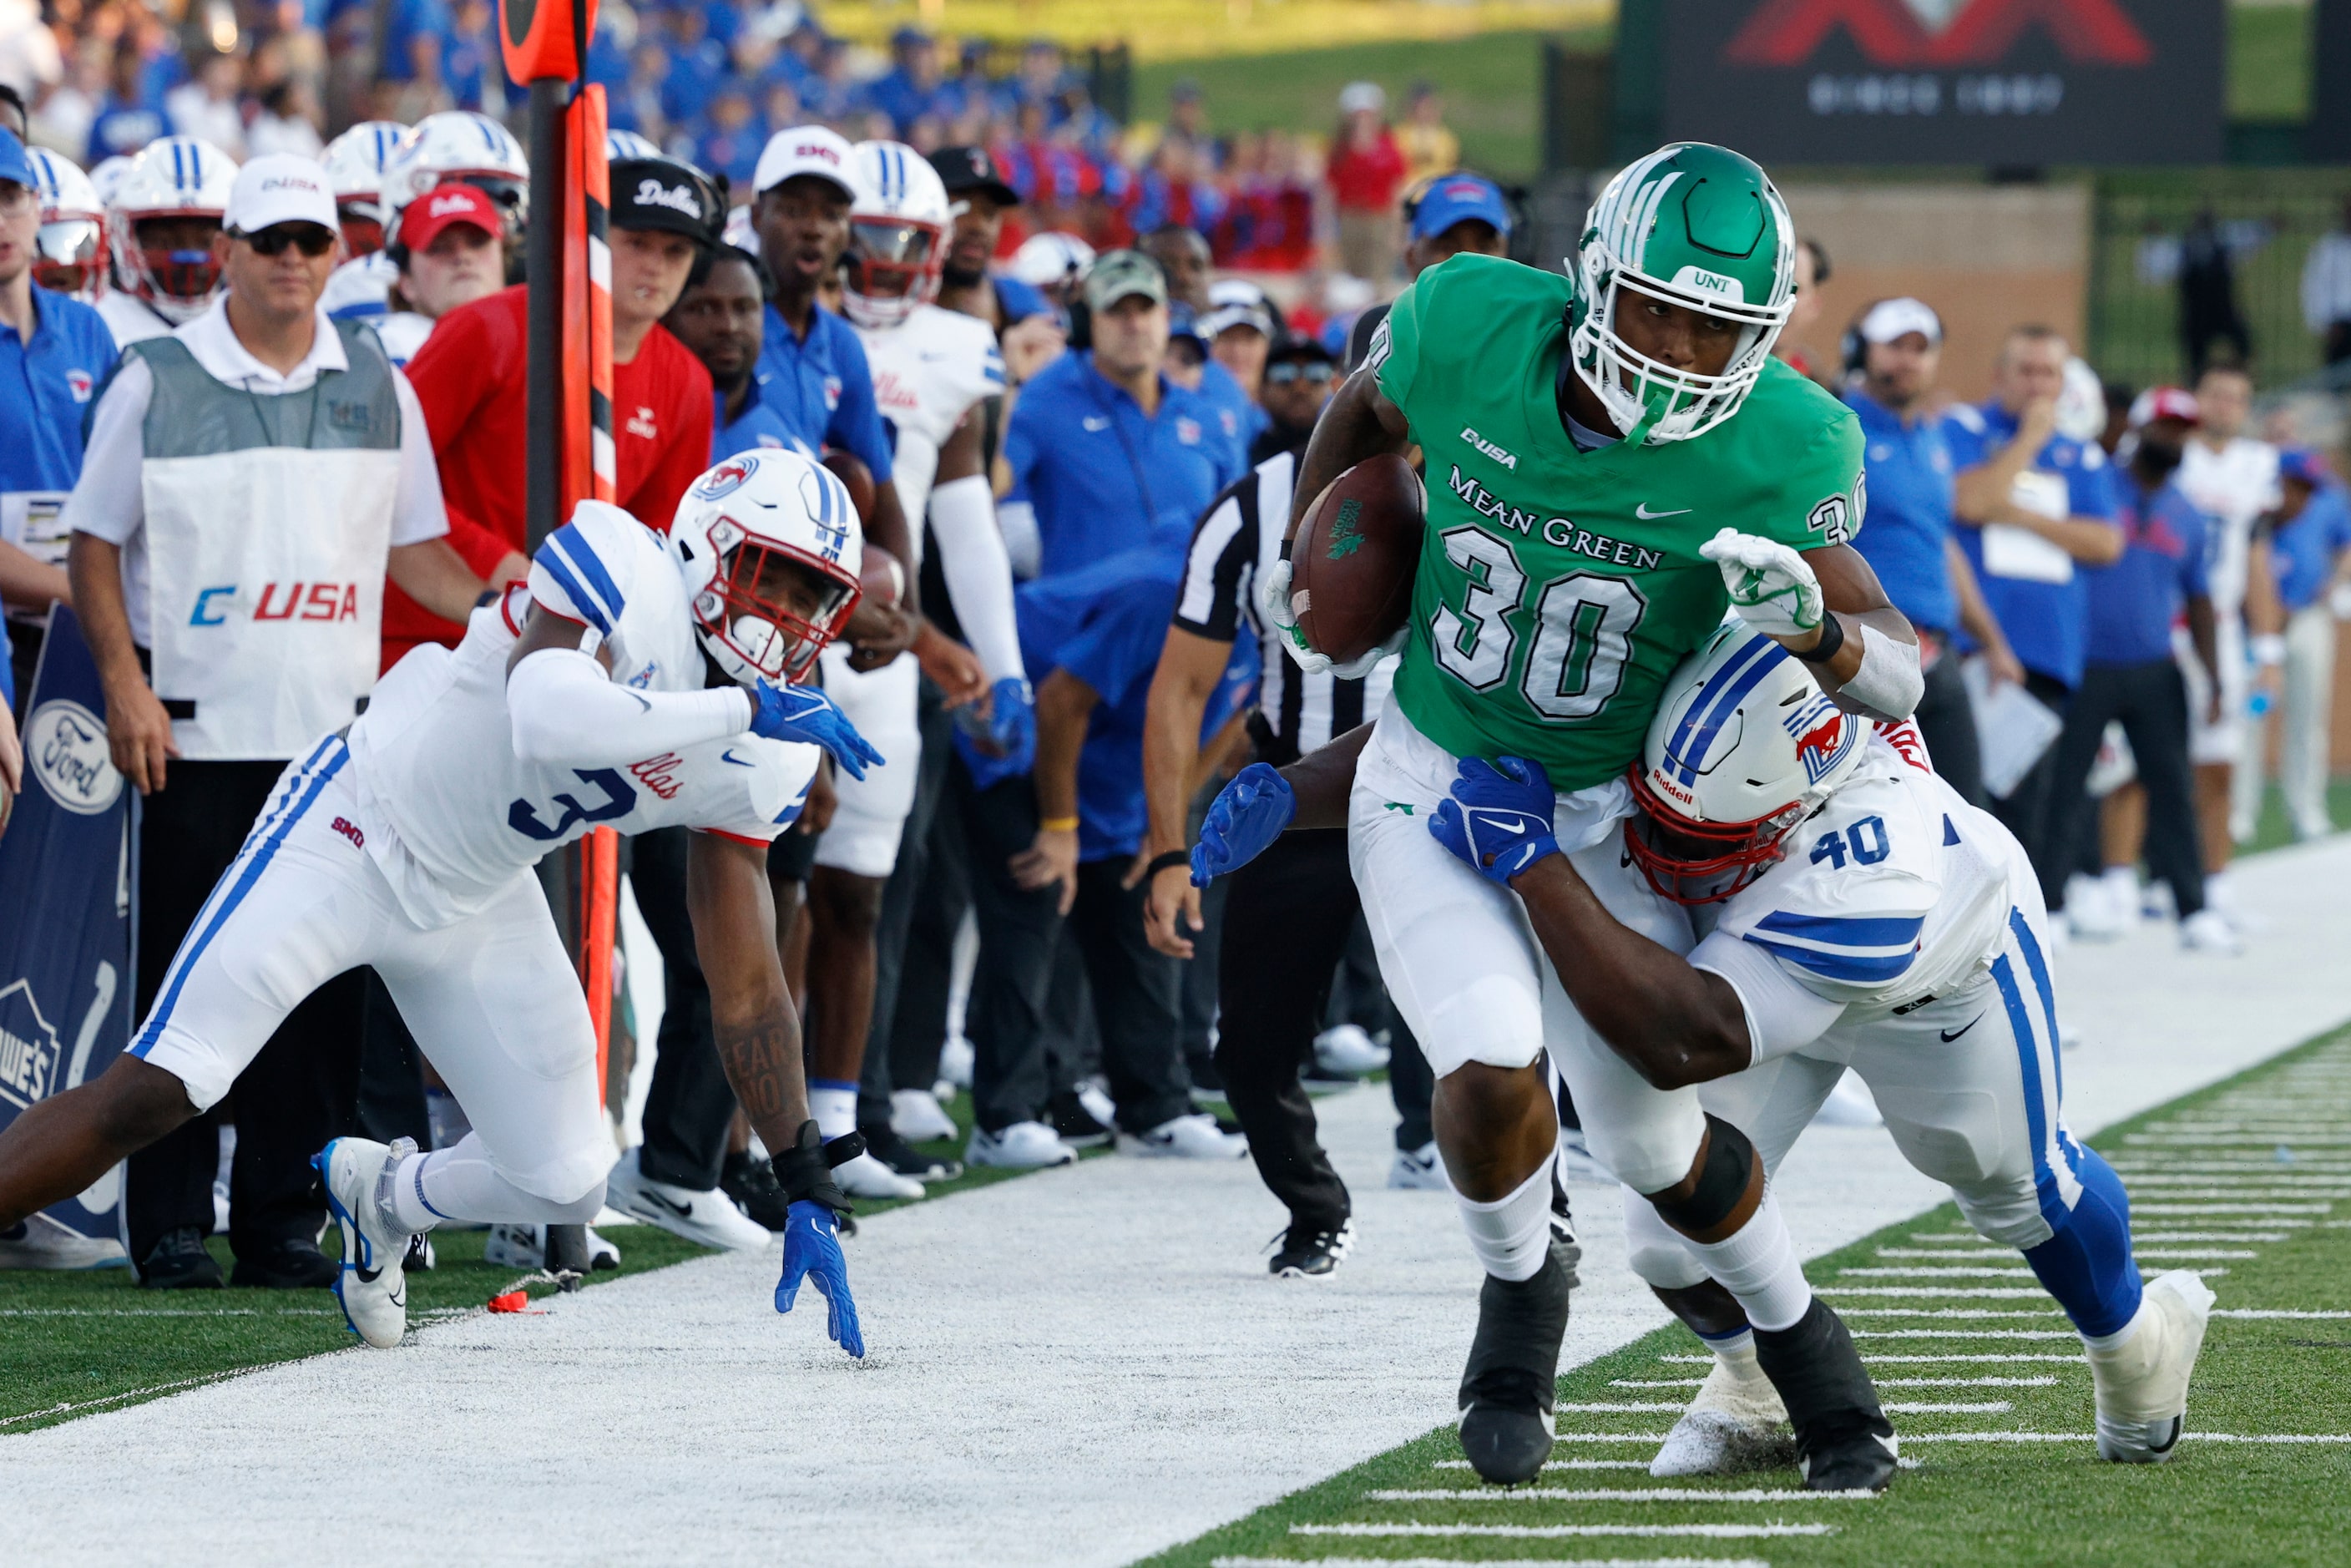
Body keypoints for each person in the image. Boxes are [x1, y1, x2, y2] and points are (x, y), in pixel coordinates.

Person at [1267, 143, 1920, 1490]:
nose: (1681, 350)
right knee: (1492, 1053)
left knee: (1644, 1137)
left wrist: (1810, 624)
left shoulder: (1786, 444)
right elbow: (1362, 411)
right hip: (1435, 766)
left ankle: (1804, 1344)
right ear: (1591, 283)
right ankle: (1519, 1291)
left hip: (1605, 809)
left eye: (1718, 326)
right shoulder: (1467, 318)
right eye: (1657, 311)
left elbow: (1896, 658)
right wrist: (1307, 545)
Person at [1197, 621, 2217, 1468]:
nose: (1655, 843)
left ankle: (2134, 1346)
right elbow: (1461, 743)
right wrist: (1300, 788)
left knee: (2007, 1186)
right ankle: (1751, 1385)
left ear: (1795, 803)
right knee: (1664, 1222)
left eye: (1692, 839)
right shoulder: (1698, 712)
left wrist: (1535, 867)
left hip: (1925, 980)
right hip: (1729, 968)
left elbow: (1686, 1040)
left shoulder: (1867, 869)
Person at [0, 452, 882, 1356]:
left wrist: (801, 1168)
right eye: (764, 574)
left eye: (808, 595)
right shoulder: (624, 561)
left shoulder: (770, 743)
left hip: (479, 890)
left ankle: (384, 1199)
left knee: (568, 1180)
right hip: (354, 828)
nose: (780, 614)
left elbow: (743, 983)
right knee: (163, 1089)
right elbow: (544, 716)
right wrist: (735, 710)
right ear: (705, 544)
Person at [61, 154, 491, 1290]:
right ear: (233, 253)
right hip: (194, 735)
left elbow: (421, 555)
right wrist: (126, 684)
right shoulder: (156, 374)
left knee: (321, 991)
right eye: (271, 242)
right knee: (183, 990)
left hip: (334, 746)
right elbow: (93, 544)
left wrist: (516, 601)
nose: (294, 260)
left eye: (311, 241)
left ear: (336, 253)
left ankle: (284, 1221)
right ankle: (166, 1223)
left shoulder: (375, 379)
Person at [968, 250, 1246, 1166]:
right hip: (1045, 699)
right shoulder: (1048, 402)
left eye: (1148, 307)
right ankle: (1010, 1110)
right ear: (1092, 318)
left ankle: (1151, 1101)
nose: (1134, 323)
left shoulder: (1255, 581)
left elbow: (1228, 711)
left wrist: (1166, 821)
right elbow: (1059, 702)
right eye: (1116, 309)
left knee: (1141, 881)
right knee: (1037, 896)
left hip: (1131, 715)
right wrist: (1055, 821)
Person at [833, 140, 1027, 1187]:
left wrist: (1003, 667)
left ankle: (850, 1111)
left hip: (882, 642)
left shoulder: (957, 345)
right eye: (871, 239)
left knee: (876, 885)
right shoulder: (787, 327)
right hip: (770, 633)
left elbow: (967, 523)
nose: (890, 263)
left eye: (911, 244)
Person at [392, 151, 717, 670]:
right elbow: (389, 476)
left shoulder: (689, 384)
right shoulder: (487, 329)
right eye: (636, 244)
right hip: (428, 641)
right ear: (592, 240)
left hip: (566, 654)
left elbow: (655, 542)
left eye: (676, 251)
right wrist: (511, 570)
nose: (656, 266)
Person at [2041, 387, 2227, 951]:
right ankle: (2051, 903)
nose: (2172, 440)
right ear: (2140, 428)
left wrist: (2215, 677)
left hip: (2155, 664)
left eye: (2182, 430)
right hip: (2086, 661)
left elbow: (2199, 601)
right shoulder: (2099, 485)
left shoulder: (2188, 514)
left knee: (2172, 787)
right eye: (2164, 427)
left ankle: (2192, 908)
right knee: (2064, 788)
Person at [1944, 326, 2125, 891]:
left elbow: (2106, 542)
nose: (2039, 385)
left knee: (2035, 801)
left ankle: (2027, 915)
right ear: (1999, 375)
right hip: (1976, 647)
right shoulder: (1964, 429)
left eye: (2050, 374)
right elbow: (1968, 501)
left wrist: (2021, 515)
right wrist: (2026, 442)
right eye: (2027, 371)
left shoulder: (2079, 453)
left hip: (2048, 651)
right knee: (1968, 800)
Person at [1841, 297, 2023, 806]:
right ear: (1861, 350)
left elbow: (1940, 543)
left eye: (1921, 349)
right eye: (1895, 346)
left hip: (1936, 652)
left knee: (1968, 816)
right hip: (1866, 653)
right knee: (1870, 804)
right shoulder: (1840, 429)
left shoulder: (1932, 437)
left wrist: (1992, 641)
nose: (1908, 360)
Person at [0, 127, 116, 705]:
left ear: (36, 208)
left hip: (89, 635)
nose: (0, 222)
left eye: (10, 198)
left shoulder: (86, 329)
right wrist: (83, 591)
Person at [2172, 363, 2279, 892]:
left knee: (2220, 764)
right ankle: (2141, 880)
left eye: (2238, 398)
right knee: (2144, 765)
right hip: (2166, 624)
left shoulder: (2257, 464)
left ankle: (2216, 884)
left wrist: (2269, 646)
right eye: (2216, 395)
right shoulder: (2174, 453)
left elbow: (2256, 560)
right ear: (2198, 399)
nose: (2225, 406)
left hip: (2224, 627)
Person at [2257, 449, 2351, 839]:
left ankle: (2306, 809)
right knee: (2252, 713)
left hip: (2308, 615)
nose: (2304, 494)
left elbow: (2346, 544)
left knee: (2307, 714)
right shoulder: (2260, 503)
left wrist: (2335, 581)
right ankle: (2240, 812)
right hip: (2262, 622)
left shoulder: (2328, 501)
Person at [97, 134, 237, 347]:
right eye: (166, 240)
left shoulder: (255, 323)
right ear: (122, 236)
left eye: (206, 241)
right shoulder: (99, 327)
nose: (189, 258)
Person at [372, 180, 503, 365]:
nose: (462, 256)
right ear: (406, 282)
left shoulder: (543, 337)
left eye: (477, 243)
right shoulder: (387, 352)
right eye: (439, 248)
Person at [1327, 82, 1403, 283]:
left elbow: (1395, 190)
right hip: (1349, 217)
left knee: (1377, 275)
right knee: (1351, 276)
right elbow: (1330, 189)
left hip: (1379, 218)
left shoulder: (1388, 148)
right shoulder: (1340, 151)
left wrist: (1396, 230)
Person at [1248, 332, 1336, 464]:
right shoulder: (1242, 459)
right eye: (1284, 374)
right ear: (1261, 388)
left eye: (1316, 373)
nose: (1301, 387)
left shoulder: (1342, 457)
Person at [2298, 196, 2351, 367]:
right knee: (2336, 379)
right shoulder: (2329, 247)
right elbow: (2315, 286)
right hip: (2340, 324)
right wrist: (2322, 322)